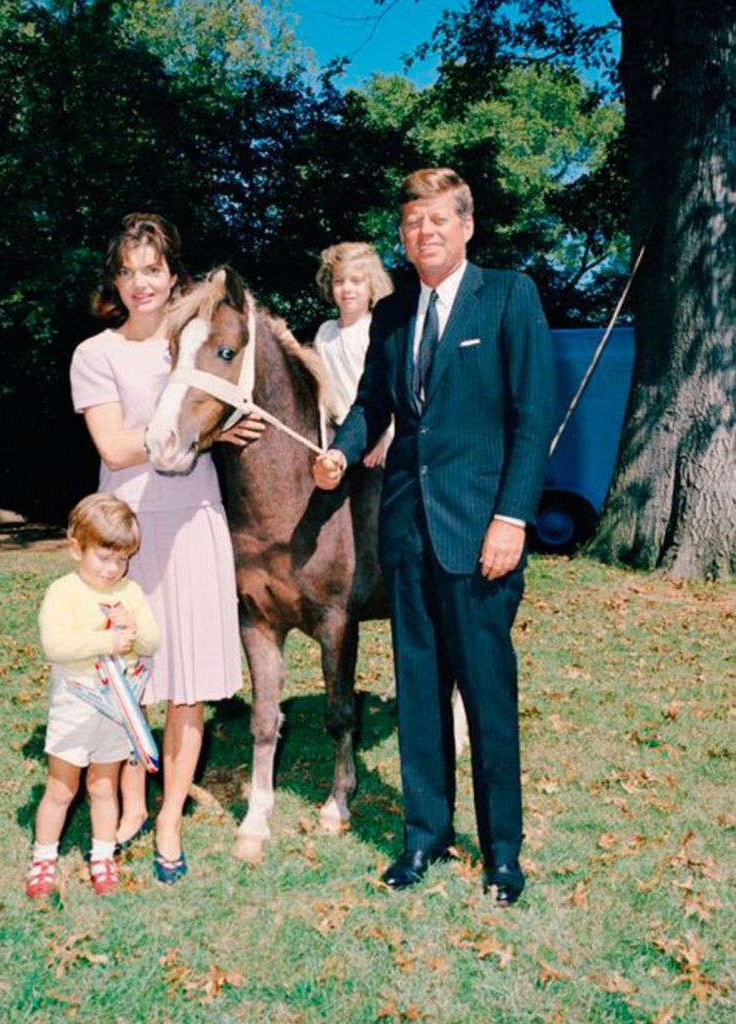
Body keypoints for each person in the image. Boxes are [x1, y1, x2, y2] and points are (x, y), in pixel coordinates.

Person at [312, 168, 555, 905]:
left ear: (466, 226)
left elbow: (531, 418)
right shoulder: (391, 316)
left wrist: (510, 518)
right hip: (406, 534)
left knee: (485, 696)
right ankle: (424, 836)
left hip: (482, 535)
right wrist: (341, 452)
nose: (424, 233)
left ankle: (502, 852)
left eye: (438, 221)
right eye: (412, 222)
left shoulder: (509, 296)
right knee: (417, 693)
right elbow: (368, 408)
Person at [70, 213, 263, 885]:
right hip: (128, 533)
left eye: (151, 269)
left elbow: (239, 387)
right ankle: (127, 802)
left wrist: (229, 418)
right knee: (128, 677)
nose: (139, 283)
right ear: (114, 282)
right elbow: (116, 447)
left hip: (196, 525)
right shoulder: (95, 354)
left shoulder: (193, 344)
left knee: (188, 687)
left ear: (172, 275)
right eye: (126, 271)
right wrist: (202, 432)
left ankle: (171, 816)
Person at [27, 493, 159, 899]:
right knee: (61, 788)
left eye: (122, 559)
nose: (113, 568)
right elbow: (56, 645)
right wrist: (108, 639)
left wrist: (133, 626)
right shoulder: (63, 592)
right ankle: (43, 858)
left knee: (104, 787)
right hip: (74, 708)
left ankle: (103, 855)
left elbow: (151, 644)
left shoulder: (130, 592)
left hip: (116, 712)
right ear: (76, 548)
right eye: (104, 557)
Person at [313, 242, 394, 467]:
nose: (347, 289)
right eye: (339, 281)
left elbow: (393, 389)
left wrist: (384, 438)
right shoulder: (325, 332)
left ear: (372, 286)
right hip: (335, 438)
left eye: (356, 281)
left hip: (374, 437)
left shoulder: (378, 330)